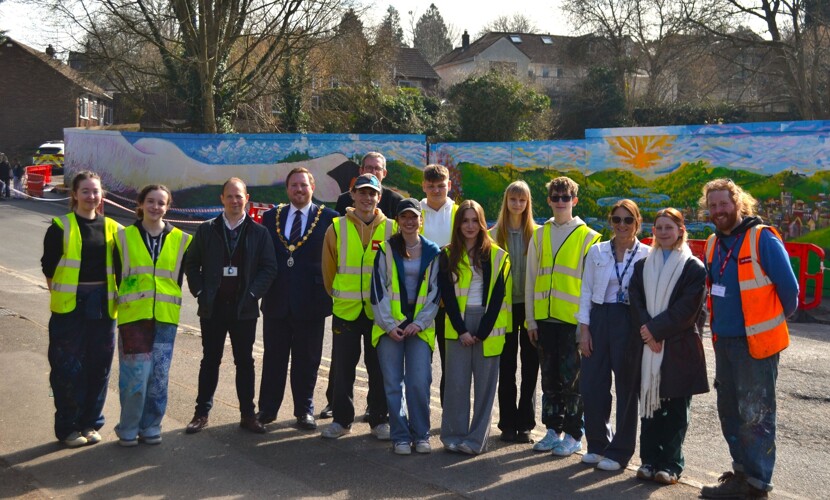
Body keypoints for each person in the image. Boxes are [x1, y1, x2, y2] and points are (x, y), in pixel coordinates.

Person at [698, 179, 798, 499]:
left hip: (756, 345)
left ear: (738, 203)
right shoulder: (713, 243)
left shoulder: (761, 239)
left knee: (756, 414)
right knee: (730, 411)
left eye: (723, 204)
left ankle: (756, 486)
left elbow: (791, 292)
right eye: (712, 206)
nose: (718, 211)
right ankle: (741, 474)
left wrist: (769, 325)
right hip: (724, 341)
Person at [184, 177, 277, 435]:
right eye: (230, 196)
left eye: (240, 196)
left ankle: (248, 415)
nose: (235, 201)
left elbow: (269, 268)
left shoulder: (259, 232)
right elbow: (191, 264)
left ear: (247, 198)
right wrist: (201, 291)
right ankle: (201, 413)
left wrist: (252, 294)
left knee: (245, 362)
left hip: (243, 309)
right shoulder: (207, 229)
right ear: (221, 199)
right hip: (213, 308)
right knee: (210, 361)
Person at [627, 207, 709, 485]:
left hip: (678, 347)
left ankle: (671, 465)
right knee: (649, 407)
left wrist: (654, 331)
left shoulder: (693, 267)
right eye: (659, 227)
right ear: (653, 232)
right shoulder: (642, 267)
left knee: (675, 409)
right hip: (649, 346)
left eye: (669, 227)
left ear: (680, 231)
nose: (663, 232)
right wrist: (648, 333)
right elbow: (635, 300)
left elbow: (687, 310)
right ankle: (649, 460)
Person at [41, 170, 121, 447]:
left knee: (99, 368)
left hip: (103, 306)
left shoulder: (113, 228)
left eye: (96, 191)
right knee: (67, 369)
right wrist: (65, 295)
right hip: (70, 308)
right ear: (74, 194)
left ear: (102, 195)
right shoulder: (60, 226)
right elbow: (49, 269)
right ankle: (68, 428)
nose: (91, 196)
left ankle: (90, 423)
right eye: (85, 191)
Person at [256, 167, 337, 430]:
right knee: (273, 359)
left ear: (313, 187)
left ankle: (304, 411)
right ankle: (267, 410)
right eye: (294, 185)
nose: (299, 190)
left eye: (304, 185)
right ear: (287, 189)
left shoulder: (330, 219)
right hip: (277, 300)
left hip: (312, 302)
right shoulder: (270, 217)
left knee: (308, 360)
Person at [325, 151, 402, 419]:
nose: (367, 198)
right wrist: (337, 295)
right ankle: (341, 418)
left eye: (372, 194)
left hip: (378, 313)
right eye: (362, 192)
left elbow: (398, 272)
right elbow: (329, 269)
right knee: (343, 368)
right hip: (346, 310)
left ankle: (378, 416)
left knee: (378, 368)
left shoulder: (393, 229)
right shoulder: (336, 227)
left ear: (379, 197)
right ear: (353, 194)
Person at [526, 176, 600, 456]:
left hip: (572, 322)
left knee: (573, 382)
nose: (560, 202)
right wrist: (531, 320)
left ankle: (573, 433)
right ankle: (552, 429)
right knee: (549, 380)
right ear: (549, 200)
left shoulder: (588, 236)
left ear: (574, 201)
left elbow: (589, 287)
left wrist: (585, 327)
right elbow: (531, 278)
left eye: (565, 198)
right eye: (555, 198)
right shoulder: (540, 234)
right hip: (545, 321)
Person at [113, 184, 192, 446]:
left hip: (165, 318)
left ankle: (151, 426)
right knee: (135, 377)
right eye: (150, 201)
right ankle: (128, 428)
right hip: (133, 318)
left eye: (161, 202)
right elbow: (114, 274)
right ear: (140, 203)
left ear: (168, 207)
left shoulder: (181, 239)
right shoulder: (123, 237)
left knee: (158, 376)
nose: (155, 207)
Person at [576, 199, 649, 471]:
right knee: (592, 385)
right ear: (610, 222)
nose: (622, 225)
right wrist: (584, 330)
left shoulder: (646, 254)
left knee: (626, 388)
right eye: (616, 219)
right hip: (599, 317)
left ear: (637, 223)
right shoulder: (597, 252)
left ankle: (620, 452)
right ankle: (597, 444)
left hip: (629, 321)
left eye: (628, 220)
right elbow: (585, 291)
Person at [439, 200, 511, 455]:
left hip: (487, 327)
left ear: (482, 223)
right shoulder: (447, 254)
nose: (469, 226)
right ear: (458, 224)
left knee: (484, 388)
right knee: (456, 385)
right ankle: (453, 435)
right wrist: (462, 331)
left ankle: (475, 440)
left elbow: (497, 297)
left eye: (474, 220)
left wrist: (481, 332)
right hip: (457, 326)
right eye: (464, 220)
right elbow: (446, 295)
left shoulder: (498, 255)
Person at [370, 198, 441, 455]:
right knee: (392, 383)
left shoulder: (433, 252)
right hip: (390, 329)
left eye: (414, 217)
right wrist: (390, 325)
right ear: (398, 221)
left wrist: (419, 324)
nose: (410, 222)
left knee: (419, 382)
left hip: (419, 329)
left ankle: (421, 434)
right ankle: (400, 436)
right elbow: (377, 290)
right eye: (404, 217)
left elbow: (436, 293)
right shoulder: (386, 249)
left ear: (421, 220)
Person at [488, 180, 539, 444]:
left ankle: (525, 424)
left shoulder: (538, 234)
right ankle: (507, 423)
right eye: (513, 199)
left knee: (531, 367)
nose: (517, 204)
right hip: (504, 310)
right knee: (506, 367)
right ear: (506, 202)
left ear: (528, 203)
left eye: (522, 200)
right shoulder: (494, 235)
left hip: (530, 307)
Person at [419, 163, 458, 406]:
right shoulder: (414, 211)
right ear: (423, 186)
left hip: (452, 297)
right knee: (420, 360)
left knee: (450, 361)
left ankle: (448, 414)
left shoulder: (459, 211)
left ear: (449, 186)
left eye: (441, 186)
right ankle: (419, 412)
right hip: (420, 298)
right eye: (431, 186)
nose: (436, 190)